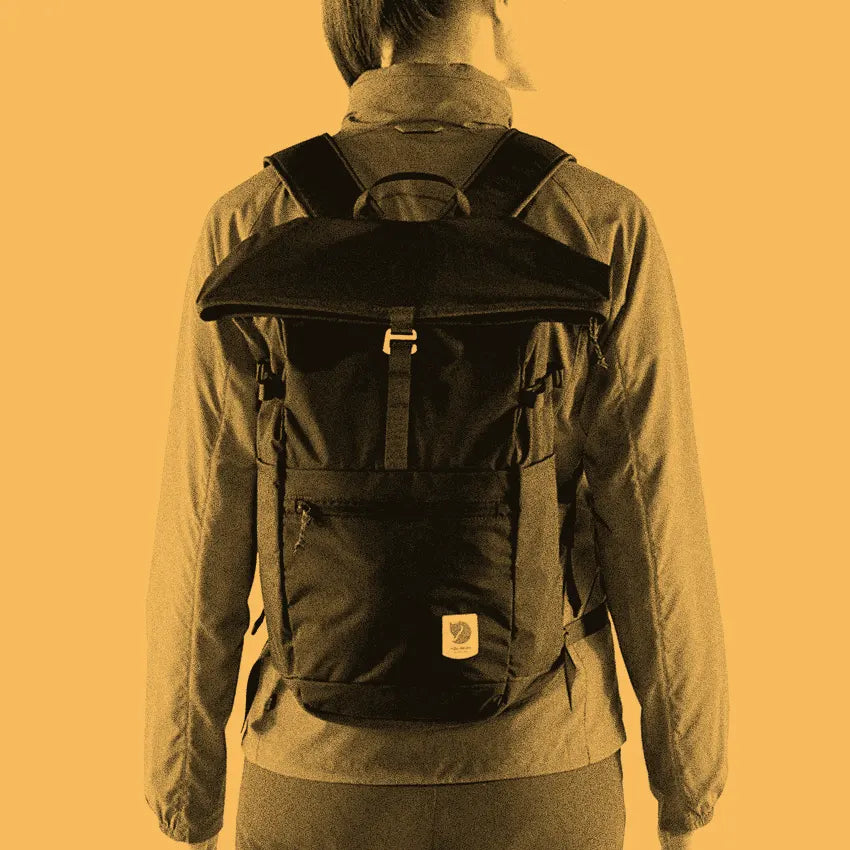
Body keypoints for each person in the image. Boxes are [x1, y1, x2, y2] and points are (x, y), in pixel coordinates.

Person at [143, 2, 729, 849]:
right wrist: (688, 790)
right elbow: (652, 516)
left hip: (314, 779)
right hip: (539, 776)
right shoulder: (599, 223)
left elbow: (204, 529)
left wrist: (185, 798)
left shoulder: (251, 222)